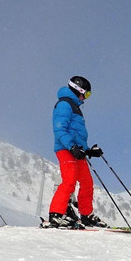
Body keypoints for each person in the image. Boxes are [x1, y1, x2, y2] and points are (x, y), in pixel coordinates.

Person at [47, 76, 105, 228]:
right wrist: (71, 146)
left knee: (87, 183)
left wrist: (89, 151)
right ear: (78, 90)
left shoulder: (75, 107)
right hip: (65, 149)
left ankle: (86, 215)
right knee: (69, 181)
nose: (86, 98)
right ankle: (56, 214)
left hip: (77, 151)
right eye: (86, 94)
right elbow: (59, 129)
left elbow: (77, 135)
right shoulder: (64, 104)